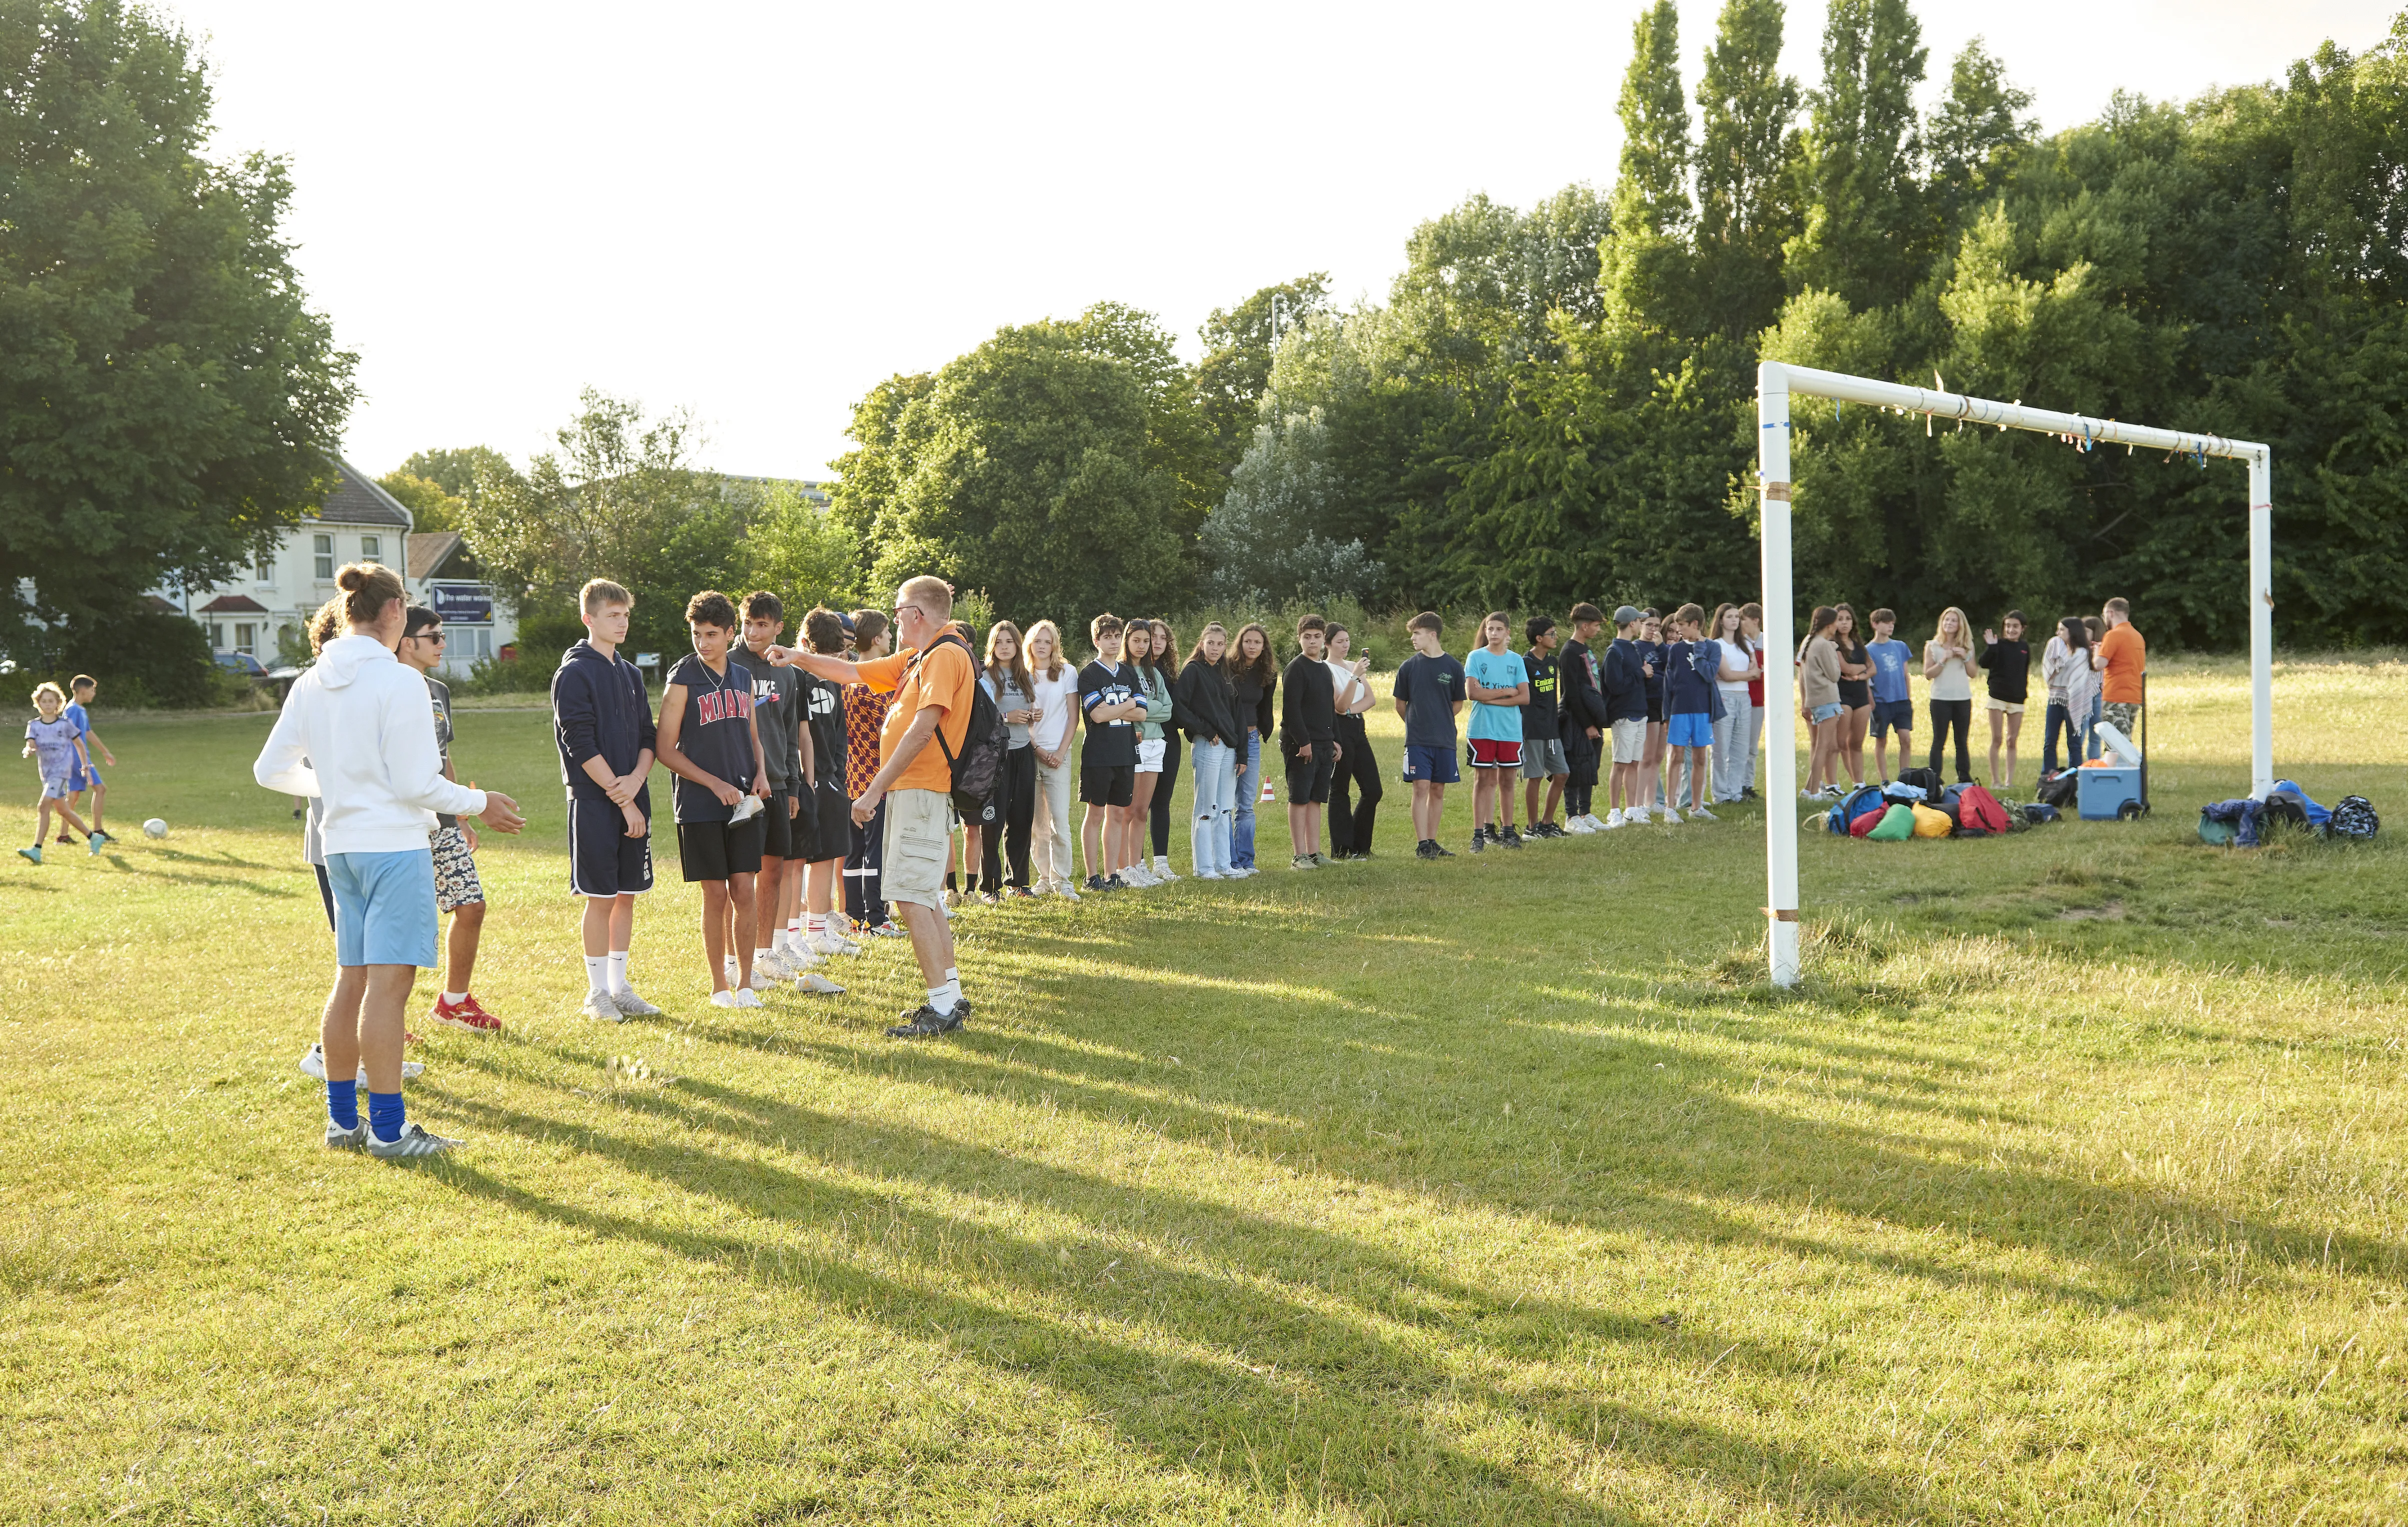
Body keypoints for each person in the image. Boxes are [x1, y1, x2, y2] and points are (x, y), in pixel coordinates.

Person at [253, 561, 524, 1158]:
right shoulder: (402, 682)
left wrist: (337, 788)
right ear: (396, 611)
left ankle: (342, 1120)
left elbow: (270, 770)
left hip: (342, 847)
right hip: (394, 846)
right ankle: (389, 1128)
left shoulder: (310, 680)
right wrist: (481, 802)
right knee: (388, 988)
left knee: (352, 978)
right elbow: (416, 783)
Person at [770, 575, 980, 1039]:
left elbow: (922, 730)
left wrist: (872, 791)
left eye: (900, 609)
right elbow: (850, 672)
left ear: (917, 614)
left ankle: (941, 1007)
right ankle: (950, 995)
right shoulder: (919, 657)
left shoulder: (944, 656)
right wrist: (796, 656)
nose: (896, 616)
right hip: (916, 793)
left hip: (919, 792)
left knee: (908, 896)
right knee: (922, 896)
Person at [552, 579, 663, 1022]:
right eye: (612, 615)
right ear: (589, 619)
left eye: (625, 614)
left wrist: (636, 780)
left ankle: (620, 987)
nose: (622, 622)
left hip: (631, 795)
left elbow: (647, 736)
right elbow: (578, 740)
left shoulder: (631, 673)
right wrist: (622, 799)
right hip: (595, 802)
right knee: (600, 898)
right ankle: (596, 993)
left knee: (627, 895)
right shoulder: (574, 672)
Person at [655, 591, 771, 1009]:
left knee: (745, 888)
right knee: (716, 894)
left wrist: (760, 773)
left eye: (711, 634)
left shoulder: (743, 676)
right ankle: (719, 986)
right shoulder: (682, 678)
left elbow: (753, 737)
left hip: (744, 802)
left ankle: (745, 984)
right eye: (695, 634)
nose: (702, 643)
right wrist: (712, 784)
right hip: (700, 805)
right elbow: (665, 750)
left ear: (728, 633)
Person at [393, 606, 501, 1033]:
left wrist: (462, 815)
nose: (442, 644)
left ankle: (453, 1003)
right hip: (403, 824)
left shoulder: (438, 690)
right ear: (406, 642)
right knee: (404, 924)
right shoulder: (389, 690)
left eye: (443, 636)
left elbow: (444, 757)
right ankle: (386, 1019)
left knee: (471, 905)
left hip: (443, 817)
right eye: (434, 636)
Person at [736, 592, 809, 982]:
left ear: (779, 627)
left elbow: (790, 732)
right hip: (741, 785)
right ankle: (736, 960)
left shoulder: (788, 671)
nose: (753, 631)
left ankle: (766, 952)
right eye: (748, 623)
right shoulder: (729, 664)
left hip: (780, 782)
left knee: (774, 871)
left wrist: (794, 785)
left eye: (762, 624)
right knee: (740, 876)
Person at [787, 608, 853, 992]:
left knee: (828, 852)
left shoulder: (833, 681)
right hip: (801, 780)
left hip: (831, 778)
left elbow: (839, 732)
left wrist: (838, 773)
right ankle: (793, 934)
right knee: (797, 859)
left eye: (837, 656)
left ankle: (818, 929)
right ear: (807, 646)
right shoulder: (795, 678)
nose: (831, 662)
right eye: (824, 654)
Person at [841, 610, 903, 933]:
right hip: (874, 778)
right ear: (877, 639)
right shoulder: (873, 684)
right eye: (887, 633)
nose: (891, 638)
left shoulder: (847, 679)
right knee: (876, 851)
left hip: (851, 774)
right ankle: (876, 918)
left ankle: (855, 915)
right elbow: (893, 728)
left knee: (855, 852)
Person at [1075, 613, 1144, 893]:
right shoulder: (1089, 674)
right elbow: (1098, 716)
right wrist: (1124, 706)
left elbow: (1141, 712)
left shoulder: (1128, 672)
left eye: (1117, 637)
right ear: (1096, 640)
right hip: (1098, 755)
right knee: (1095, 813)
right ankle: (1092, 876)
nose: (1114, 642)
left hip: (1125, 752)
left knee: (1117, 814)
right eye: (1108, 637)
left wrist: (1115, 709)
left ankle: (1112, 873)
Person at [1392, 611, 1465, 859]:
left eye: (1417, 633)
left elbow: (1457, 703)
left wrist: (1440, 721)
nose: (1413, 638)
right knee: (1421, 787)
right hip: (1418, 740)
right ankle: (1422, 844)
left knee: (1438, 789)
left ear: (1432, 635)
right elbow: (1400, 704)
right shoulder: (1409, 667)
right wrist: (1416, 723)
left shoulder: (1454, 667)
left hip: (1445, 739)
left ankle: (1433, 841)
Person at [1174, 622, 1242, 878]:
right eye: (1211, 643)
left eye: (1220, 644)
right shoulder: (1193, 671)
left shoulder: (1226, 673)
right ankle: (1204, 867)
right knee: (1206, 807)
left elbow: (1236, 713)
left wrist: (1241, 751)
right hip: (1208, 745)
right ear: (1202, 643)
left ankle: (1224, 864)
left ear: (1226, 646)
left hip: (1228, 747)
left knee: (1225, 806)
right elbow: (1180, 708)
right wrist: (1205, 729)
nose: (1215, 648)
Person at [978, 620, 1039, 900]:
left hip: (1023, 751)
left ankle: (1019, 882)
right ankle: (990, 886)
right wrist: (1006, 718)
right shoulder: (985, 678)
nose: (1004, 647)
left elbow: (1026, 710)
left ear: (1017, 645)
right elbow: (978, 719)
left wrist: (1032, 716)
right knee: (994, 821)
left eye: (1010, 642)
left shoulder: (1025, 675)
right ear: (993, 646)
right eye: (999, 642)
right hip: (996, 755)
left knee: (1022, 817)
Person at [1021, 618, 1082, 898]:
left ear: (1055, 645)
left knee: (1060, 821)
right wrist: (1038, 750)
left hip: (1060, 755)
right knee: (1037, 823)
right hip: (1030, 753)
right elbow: (1020, 720)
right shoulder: (1022, 674)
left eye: (1048, 642)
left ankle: (1063, 880)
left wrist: (1059, 753)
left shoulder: (1068, 673)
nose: (1042, 646)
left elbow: (1073, 717)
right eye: (1037, 641)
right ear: (1030, 645)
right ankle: (1043, 878)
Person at [1461, 611, 1528, 849]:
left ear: (1508, 632)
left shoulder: (1516, 660)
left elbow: (1524, 697)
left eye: (1499, 629)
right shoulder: (1476, 657)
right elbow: (1473, 693)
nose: (1494, 634)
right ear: (1485, 631)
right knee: (1483, 780)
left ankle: (1509, 832)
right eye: (1490, 629)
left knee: (1508, 781)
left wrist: (1490, 698)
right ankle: (1478, 835)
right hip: (1482, 729)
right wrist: (1504, 692)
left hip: (1509, 730)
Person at [1280, 614, 1341, 868]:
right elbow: (1291, 710)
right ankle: (1299, 855)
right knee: (1300, 798)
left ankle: (1315, 853)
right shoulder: (1296, 669)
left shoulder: (1324, 668)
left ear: (1324, 640)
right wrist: (1303, 742)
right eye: (1307, 637)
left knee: (1317, 798)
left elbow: (1329, 707)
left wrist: (1335, 740)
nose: (1312, 641)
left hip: (1324, 743)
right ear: (1300, 639)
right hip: (1301, 744)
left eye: (1317, 637)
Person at [1322, 624, 1382, 859]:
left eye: (1347, 640)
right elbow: (1339, 704)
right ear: (1328, 644)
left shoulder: (1352, 666)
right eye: (1339, 641)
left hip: (1358, 726)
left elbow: (1371, 699)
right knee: (1340, 789)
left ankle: (1360, 845)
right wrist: (1355, 677)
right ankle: (1342, 849)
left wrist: (1350, 711)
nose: (1345, 645)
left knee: (1373, 790)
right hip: (1341, 731)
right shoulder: (1327, 669)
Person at [20, 681, 97, 862]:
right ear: (38, 704)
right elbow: (30, 745)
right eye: (44, 701)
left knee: (43, 806)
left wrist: (86, 768)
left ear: (58, 704)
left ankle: (37, 850)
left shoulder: (65, 724)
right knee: (63, 810)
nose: (47, 704)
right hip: (46, 774)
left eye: (51, 701)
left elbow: (80, 745)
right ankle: (94, 837)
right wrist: (28, 751)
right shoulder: (34, 725)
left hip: (61, 772)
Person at [1228, 623, 1277, 876]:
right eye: (1248, 641)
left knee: (1246, 804)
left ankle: (1246, 859)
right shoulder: (1228, 669)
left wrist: (1263, 731)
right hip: (1228, 740)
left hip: (1252, 739)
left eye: (1258, 642)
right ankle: (1229, 860)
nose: (1253, 646)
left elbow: (1266, 706)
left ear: (1264, 646)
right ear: (1240, 643)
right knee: (1225, 803)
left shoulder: (1267, 673)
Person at [1659, 603, 1716, 821]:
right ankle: (1670, 809)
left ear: (1695, 624)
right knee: (1676, 757)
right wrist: (1666, 714)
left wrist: (1700, 650)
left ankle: (1696, 807)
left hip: (1702, 710)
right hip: (1679, 711)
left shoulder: (1712, 648)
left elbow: (1709, 675)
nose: (1679, 630)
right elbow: (1668, 684)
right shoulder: (1675, 650)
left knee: (1700, 758)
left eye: (1682, 625)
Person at [1557, 603, 1610, 832]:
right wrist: (1587, 724)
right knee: (1575, 766)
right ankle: (1571, 817)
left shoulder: (1585, 649)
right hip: (1576, 720)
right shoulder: (1569, 652)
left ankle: (1586, 812)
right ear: (1585, 625)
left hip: (1592, 718)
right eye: (1597, 625)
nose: (1599, 629)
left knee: (1590, 766)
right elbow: (1572, 693)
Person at [1601, 604, 1652, 827]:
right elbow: (1615, 685)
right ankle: (1614, 811)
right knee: (1620, 763)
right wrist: (1641, 673)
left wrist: (1642, 673)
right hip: (1624, 715)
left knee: (1634, 762)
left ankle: (1631, 808)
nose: (1641, 624)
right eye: (1640, 621)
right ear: (1632, 624)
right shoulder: (1615, 652)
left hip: (1640, 713)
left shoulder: (1633, 649)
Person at [1518, 617, 1569, 836]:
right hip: (1532, 729)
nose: (1556, 637)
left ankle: (1547, 823)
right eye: (1552, 634)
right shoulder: (1524, 663)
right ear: (1539, 639)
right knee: (1536, 776)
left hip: (1551, 728)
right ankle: (1532, 827)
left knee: (1562, 774)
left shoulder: (1552, 662)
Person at [1143, 619, 1184, 883]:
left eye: (1163, 638)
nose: (1157, 642)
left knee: (1162, 803)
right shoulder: (1133, 670)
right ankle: (1135, 864)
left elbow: (1176, 712)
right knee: (1137, 806)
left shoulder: (1171, 673)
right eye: (1152, 637)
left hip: (1170, 741)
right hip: (1142, 741)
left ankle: (1161, 863)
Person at [1706, 604, 1758, 804]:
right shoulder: (1717, 645)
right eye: (1730, 617)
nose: (1735, 620)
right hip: (1724, 697)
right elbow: (1725, 675)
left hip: (1744, 697)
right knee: (1721, 748)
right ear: (1721, 620)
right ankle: (1721, 794)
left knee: (1741, 748)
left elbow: (1756, 670)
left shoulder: (1745, 644)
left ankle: (1736, 792)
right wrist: (1748, 675)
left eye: (1737, 617)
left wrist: (1745, 675)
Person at [1923, 607, 1978, 784]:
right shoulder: (1932, 646)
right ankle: (1934, 777)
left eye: (1954, 620)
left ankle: (1964, 777)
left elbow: (1973, 673)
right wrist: (1943, 660)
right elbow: (1928, 674)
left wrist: (1966, 657)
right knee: (1939, 740)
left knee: (1961, 740)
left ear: (1960, 624)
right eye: (1947, 620)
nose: (1949, 624)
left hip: (1962, 698)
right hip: (1940, 699)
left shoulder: (1968, 646)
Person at [1979, 610, 2032, 789]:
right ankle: (1996, 781)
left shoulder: (2025, 648)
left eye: (2015, 626)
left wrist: (2023, 693)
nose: (2011, 630)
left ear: (2023, 628)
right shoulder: (1998, 645)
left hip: (2017, 699)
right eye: (2008, 626)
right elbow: (1984, 663)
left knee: (2012, 740)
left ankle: (2009, 781)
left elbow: (2024, 672)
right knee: (1998, 739)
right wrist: (1991, 647)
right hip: (1997, 697)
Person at [61, 675, 115, 845]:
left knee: (73, 796)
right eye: (93, 690)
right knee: (100, 789)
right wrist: (82, 763)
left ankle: (63, 836)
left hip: (77, 758)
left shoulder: (80, 710)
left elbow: (88, 733)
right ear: (83, 691)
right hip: (77, 759)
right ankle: (98, 830)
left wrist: (105, 751)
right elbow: (67, 734)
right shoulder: (73, 710)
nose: (94, 693)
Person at [1799, 606, 1846, 799]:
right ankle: (1813, 792)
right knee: (1823, 747)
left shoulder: (1808, 643)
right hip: (1827, 698)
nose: (1839, 625)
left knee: (1820, 745)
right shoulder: (1825, 645)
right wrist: (1834, 652)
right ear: (1829, 624)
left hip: (1816, 698)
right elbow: (1835, 675)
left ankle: (1809, 788)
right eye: (1837, 621)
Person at [1863, 609, 1915, 781]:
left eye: (1892, 623)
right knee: (1881, 740)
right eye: (1886, 622)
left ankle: (1904, 778)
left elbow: (1905, 674)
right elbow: (1867, 679)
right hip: (1881, 701)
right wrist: (1871, 700)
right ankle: (1885, 780)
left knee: (1906, 739)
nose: (1891, 626)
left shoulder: (1900, 646)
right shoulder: (1868, 650)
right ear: (1875, 625)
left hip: (1901, 700)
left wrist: (1908, 697)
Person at [2041, 615, 2093, 774]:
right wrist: (2056, 663)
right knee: (2050, 741)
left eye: (2062, 630)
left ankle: (2075, 776)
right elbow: (2048, 670)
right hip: (2056, 699)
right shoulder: (2057, 647)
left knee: (2074, 743)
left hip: (2074, 701)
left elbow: (2071, 673)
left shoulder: (2082, 653)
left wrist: (2058, 664)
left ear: (2073, 632)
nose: (2058, 633)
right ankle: (2048, 775)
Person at [2096, 597, 2146, 746]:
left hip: (2116, 695)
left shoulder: (2113, 635)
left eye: (2104, 615)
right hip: (2134, 695)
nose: (2104, 619)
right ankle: (2121, 767)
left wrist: (2096, 651)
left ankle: (2130, 768)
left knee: (2117, 743)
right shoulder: (2137, 636)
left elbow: (2099, 664)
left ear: (2111, 613)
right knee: (2123, 738)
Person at [1831, 604, 1872, 790]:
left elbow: (1873, 668)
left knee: (1857, 743)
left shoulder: (1858, 644)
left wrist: (1859, 676)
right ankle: (1842, 780)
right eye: (1840, 619)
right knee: (1842, 743)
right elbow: (1844, 668)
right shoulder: (1834, 645)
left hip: (1861, 696)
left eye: (1848, 619)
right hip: (1843, 696)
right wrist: (1861, 668)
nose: (1844, 623)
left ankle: (1859, 783)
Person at [1739, 602, 1768, 800]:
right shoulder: (1740, 643)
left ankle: (1747, 784)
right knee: (1738, 744)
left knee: (1752, 745)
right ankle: (1735, 784)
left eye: (1743, 619)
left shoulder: (1768, 641)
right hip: (1742, 696)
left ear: (1755, 620)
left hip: (1759, 700)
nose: (1740, 623)